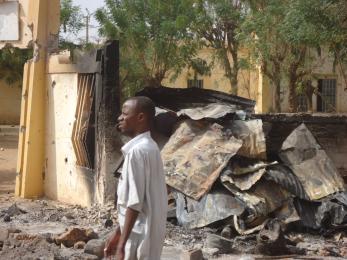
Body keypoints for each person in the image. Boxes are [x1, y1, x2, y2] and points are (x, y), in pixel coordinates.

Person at [104, 96, 168, 260]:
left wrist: (122, 245)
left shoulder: (137, 152)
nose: (120, 118)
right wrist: (118, 232)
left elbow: (134, 203)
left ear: (140, 117)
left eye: (125, 113)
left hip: (138, 237)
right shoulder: (150, 147)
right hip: (145, 235)